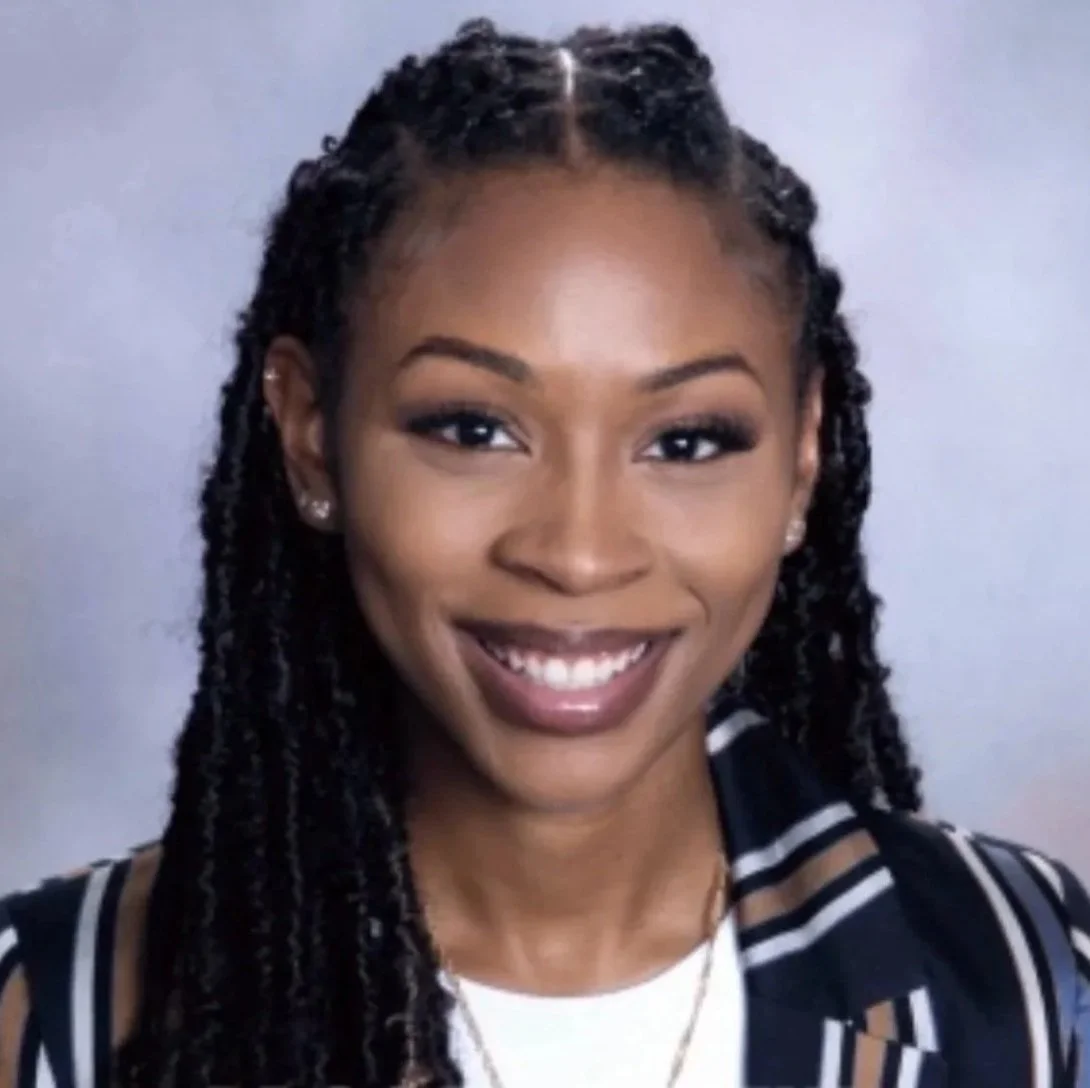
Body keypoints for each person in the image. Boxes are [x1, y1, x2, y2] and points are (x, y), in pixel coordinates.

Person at [1, 17, 1087, 1088]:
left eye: (685, 439)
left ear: (801, 458)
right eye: (473, 428)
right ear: (309, 435)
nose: (577, 550)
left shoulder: (1035, 989)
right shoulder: (54, 1014)